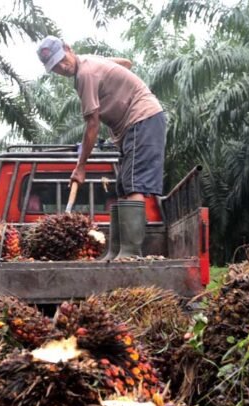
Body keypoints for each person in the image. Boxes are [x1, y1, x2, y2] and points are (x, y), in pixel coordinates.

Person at [36, 35, 166, 260]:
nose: (61, 67)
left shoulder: (86, 73)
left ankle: (130, 253)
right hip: (130, 128)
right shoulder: (90, 63)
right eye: (54, 66)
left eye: (61, 59)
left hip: (143, 118)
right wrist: (110, 71)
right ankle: (116, 250)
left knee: (134, 184)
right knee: (123, 186)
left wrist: (81, 167)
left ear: (69, 48)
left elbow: (92, 125)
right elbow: (126, 63)